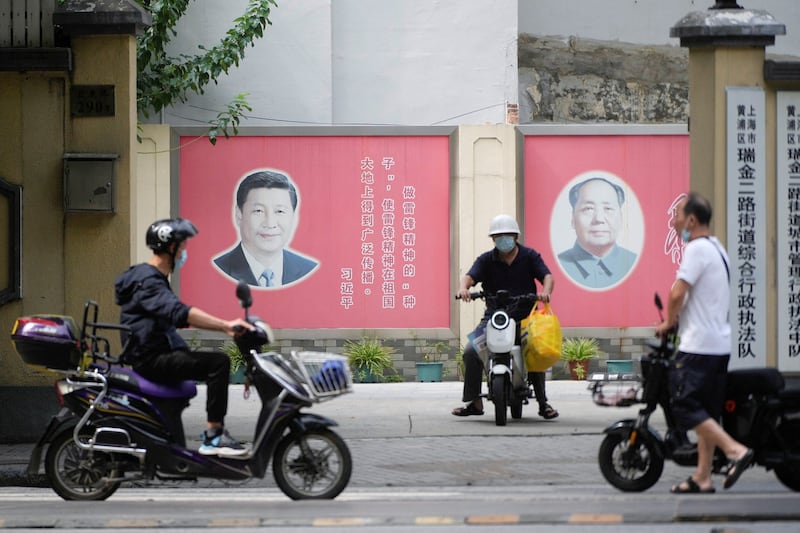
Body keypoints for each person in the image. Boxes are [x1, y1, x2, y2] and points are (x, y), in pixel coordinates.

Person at [115, 218, 253, 457]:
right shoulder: (148, 282)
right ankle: (214, 435)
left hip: (153, 353)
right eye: (183, 246)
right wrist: (225, 326)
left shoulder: (148, 277)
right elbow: (180, 313)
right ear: (170, 247)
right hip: (152, 359)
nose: (184, 251)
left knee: (204, 361)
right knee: (218, 363)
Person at [655, 192, 754, 493]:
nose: (674, 222)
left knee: (684, 406)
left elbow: (676, 293)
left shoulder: (697, 248)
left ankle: (735, 450)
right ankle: (702, 476)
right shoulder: (717, 248)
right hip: (718, 346)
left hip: (697, 346)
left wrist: (668, 322)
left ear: (692, 220)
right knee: (707, 413)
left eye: (678, 216)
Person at [453, 214, 558, 420]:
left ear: (515, 236)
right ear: (493, 239)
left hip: (526, 319)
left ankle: (543, 403)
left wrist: (545, 292)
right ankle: (474, 402)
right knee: (471, 352)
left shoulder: (529, 256)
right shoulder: (486, 260)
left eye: (507, 235)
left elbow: (547, 276)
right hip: (494, 318)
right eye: (498, 236)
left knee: (536, 350)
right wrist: (463, 288)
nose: (503, 239)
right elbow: (469, 277)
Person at [214, 170, 319, 287]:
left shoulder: (310, 270)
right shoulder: (217, 271)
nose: (270, 223)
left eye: (279, 211)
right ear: (239, 215)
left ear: (293, 216)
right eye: (258, 211)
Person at [557, 177, 637, 289]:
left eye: (608, 209)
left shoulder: (633, 262)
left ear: (621, 219)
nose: (599, 219)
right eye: (588, 209)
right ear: (572, 219)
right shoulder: (556, 266)